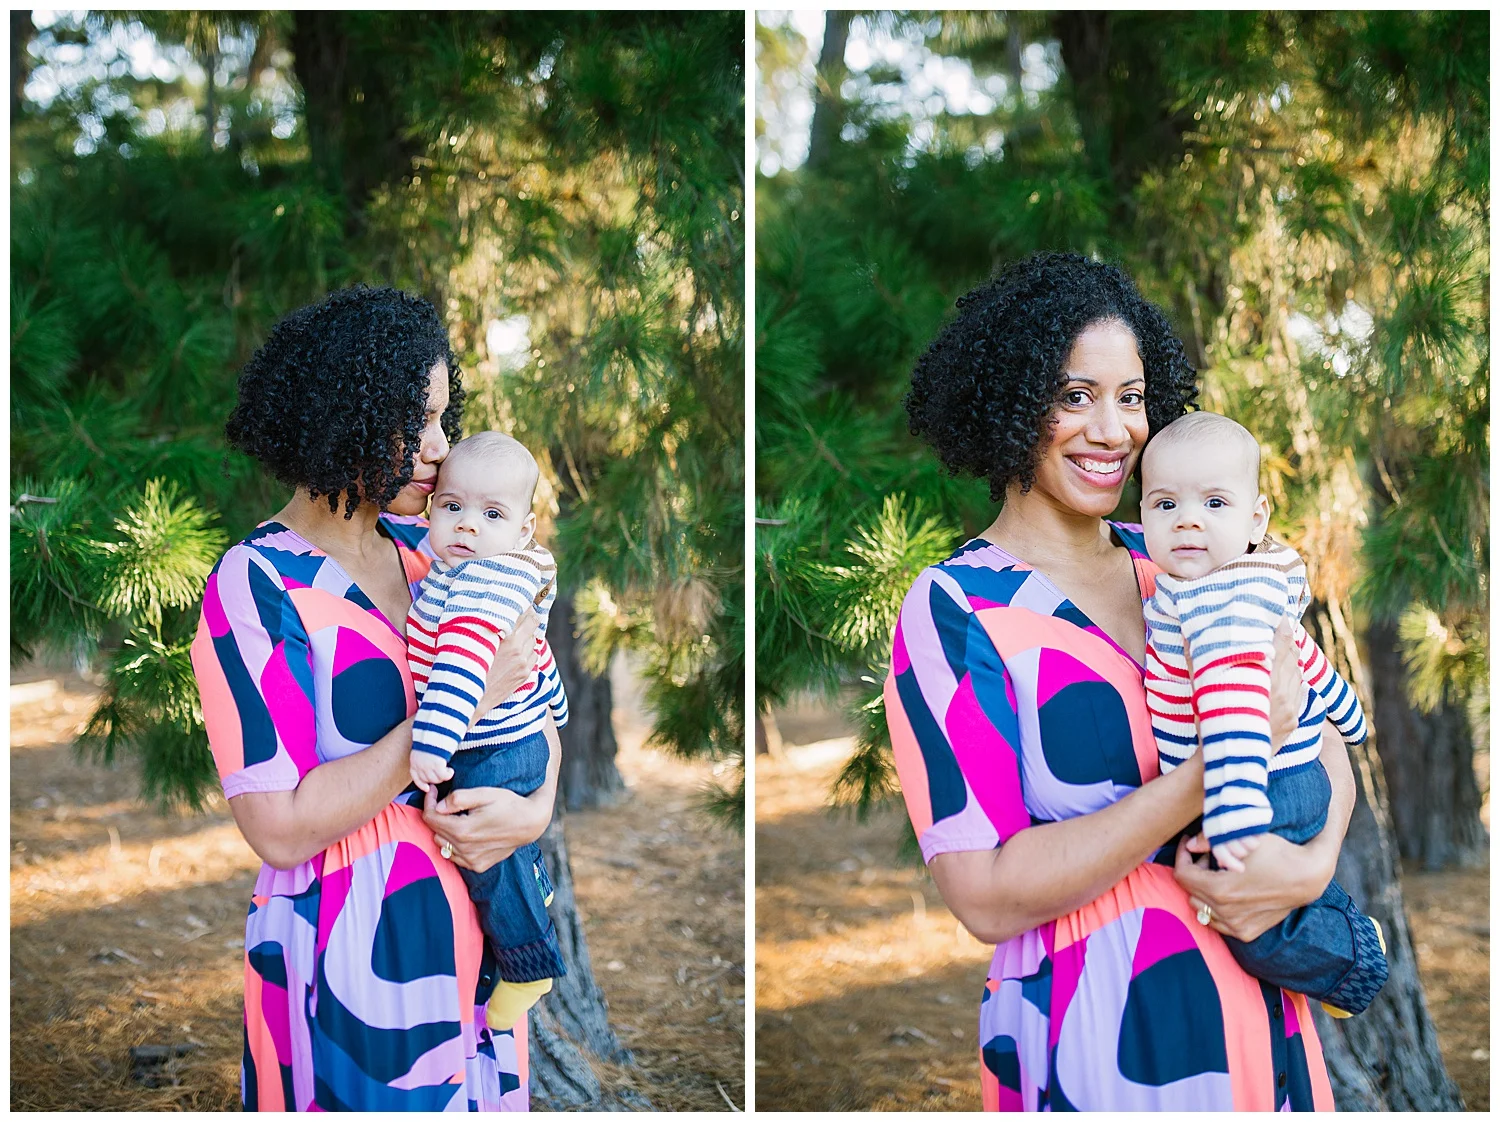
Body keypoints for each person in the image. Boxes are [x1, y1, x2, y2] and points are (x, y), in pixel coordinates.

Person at [887, 252, 1351, 1110]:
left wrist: (1311, 867)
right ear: (1008, 400)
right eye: (1074, 396)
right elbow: (985, 897)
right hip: (1097, 1025)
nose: (1112, 431)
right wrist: (1209, 777)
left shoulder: (1180, 554)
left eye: (1131, 398)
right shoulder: (955, 609)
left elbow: (1317, 736)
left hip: (1258, 1008)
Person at [191, 285, 556, 1111]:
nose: (439, 450)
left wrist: (535, 812)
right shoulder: (256, 585)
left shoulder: (440, 556)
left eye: (443, 420)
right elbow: (279, 829)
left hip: (477, 934)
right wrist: (436, 725)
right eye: (414, 421)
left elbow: (522, 698)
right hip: (350, 953)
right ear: (340, 416)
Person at [1140, 411, 1387, 1018]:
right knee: (1259, 900)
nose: (1188, 519)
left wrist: (1235, 810)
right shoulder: (1245, 577)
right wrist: (1345, 711)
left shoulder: (1214, 599)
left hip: (1260, 787)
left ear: (1256, 519)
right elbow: (1301, 653)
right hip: (1281, 777)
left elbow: (1233, 715)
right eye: (1164, 504)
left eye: (1215, 502)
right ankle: (1331, 914)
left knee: (1251, 925)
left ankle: (1352, 957)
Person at [406, 432, 571, 1033]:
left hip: (489, 746)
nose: (467, 526)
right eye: (452, 507)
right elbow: (537, 654)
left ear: (522, 531)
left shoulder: (479, 584)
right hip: (516, 735)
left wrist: (431, 745)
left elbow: (461, 673)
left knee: (480, 849)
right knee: (495, 846)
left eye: (491, 514)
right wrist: (553, 707)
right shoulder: (480, 571)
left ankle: (529, 961)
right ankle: (533, 888)